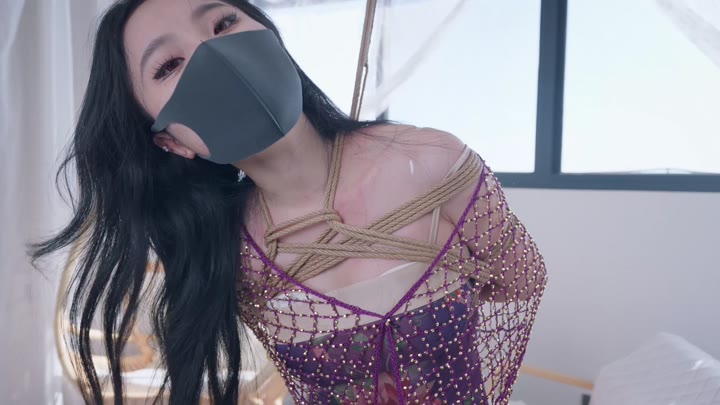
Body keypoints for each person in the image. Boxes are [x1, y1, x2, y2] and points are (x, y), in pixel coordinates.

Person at [30, 0, 548, 404]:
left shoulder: (432, 162)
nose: (214, 56)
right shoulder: (229, 252)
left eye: (223, 23)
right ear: (170, 141)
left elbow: (520, 280)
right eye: (169, 64)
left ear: (271, 37)